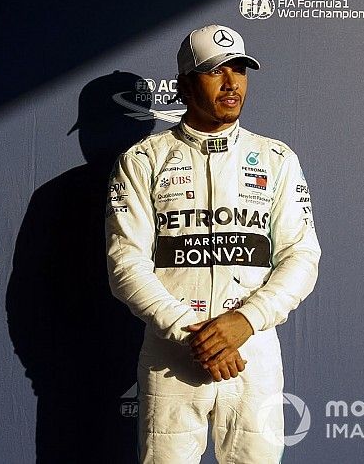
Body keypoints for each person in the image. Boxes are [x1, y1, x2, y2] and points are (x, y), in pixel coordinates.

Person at [105, 24, 321, 463]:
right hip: (172, 357)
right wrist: (193, 334)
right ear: (184, 85)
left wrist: (243, 322)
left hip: (252, 354)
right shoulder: (143, 160)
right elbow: (125, 264)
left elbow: (301, 256)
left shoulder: (278, 159)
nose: (232, 83)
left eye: (239, 70)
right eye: (214, 71)